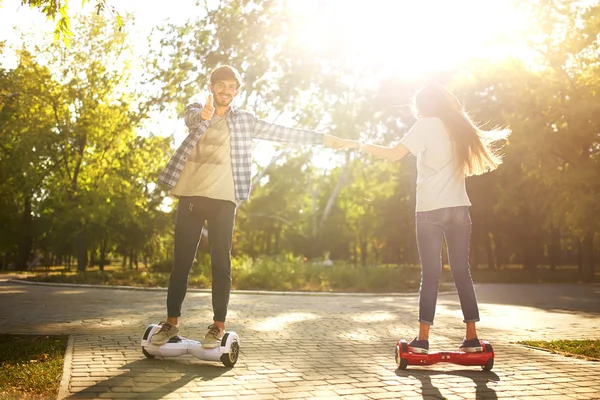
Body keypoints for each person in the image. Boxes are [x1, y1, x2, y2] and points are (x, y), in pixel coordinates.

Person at [154, 65, 351, 348]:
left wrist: (324, 139)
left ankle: (217, 327)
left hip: (224, 199)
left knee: (221, 264)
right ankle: (171, 324)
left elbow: (282, 132)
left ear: (237, 90)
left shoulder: (244, 120)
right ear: (211, 87)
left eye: (231, 86)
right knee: (181, 263)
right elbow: (193, 118)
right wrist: (204, 115)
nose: (226, 91)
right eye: (220, 85)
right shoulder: (197, 109)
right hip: (191, 197)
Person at [340, 83, 510, 353]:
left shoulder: (426, 125)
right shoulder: (457, 127)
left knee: (430, 274)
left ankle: (422, 340)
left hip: (430, 210)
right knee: (461, 272)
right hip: (459, 209)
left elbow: (394, 155)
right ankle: (472, 338)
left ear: (424, 106)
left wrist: (360, 145)